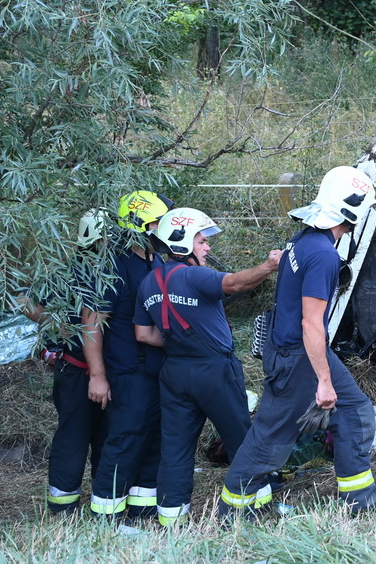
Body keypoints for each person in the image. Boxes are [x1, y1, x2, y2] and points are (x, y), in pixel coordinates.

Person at [220, 166, 376, 518]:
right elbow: (311, 323)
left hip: (296, 348)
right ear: (355, 211)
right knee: (270, 436)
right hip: (297, 355)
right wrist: (322, 381)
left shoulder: (303, 238)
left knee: (355, 410)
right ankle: (233, 510)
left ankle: (359, 498)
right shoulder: (323, 255)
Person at [133, 207, 282, 526]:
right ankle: (254, 510)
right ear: (184, 242)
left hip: (174, 373)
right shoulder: (192, 275)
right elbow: (235, 284)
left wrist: (181, 342)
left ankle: (171, 519)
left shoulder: (148, 283)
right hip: (215, 371)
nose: (208, 247)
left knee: (175, 448)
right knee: (243, 440)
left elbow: (143, 334)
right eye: (202, 240)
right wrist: (269, 266)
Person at [87, 191, 174, 519]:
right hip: (128, 372)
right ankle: (105, 518)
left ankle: (142, 512)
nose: (164, 227)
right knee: (124, 441)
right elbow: (91, 321)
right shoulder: (114, 264)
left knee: (153, 441)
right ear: (140, 224)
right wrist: (97, 376)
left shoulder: (155, 259)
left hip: (156, 370)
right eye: (158, 221)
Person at [29, 209, 110, 513]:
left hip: (102, 371)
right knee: (74, 436)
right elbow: (25, 299)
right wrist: (56, 323)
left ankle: (103, 500)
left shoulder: (110, 271)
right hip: (76, 370)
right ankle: (63, 507)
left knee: (106, 436)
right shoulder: (66, 272)